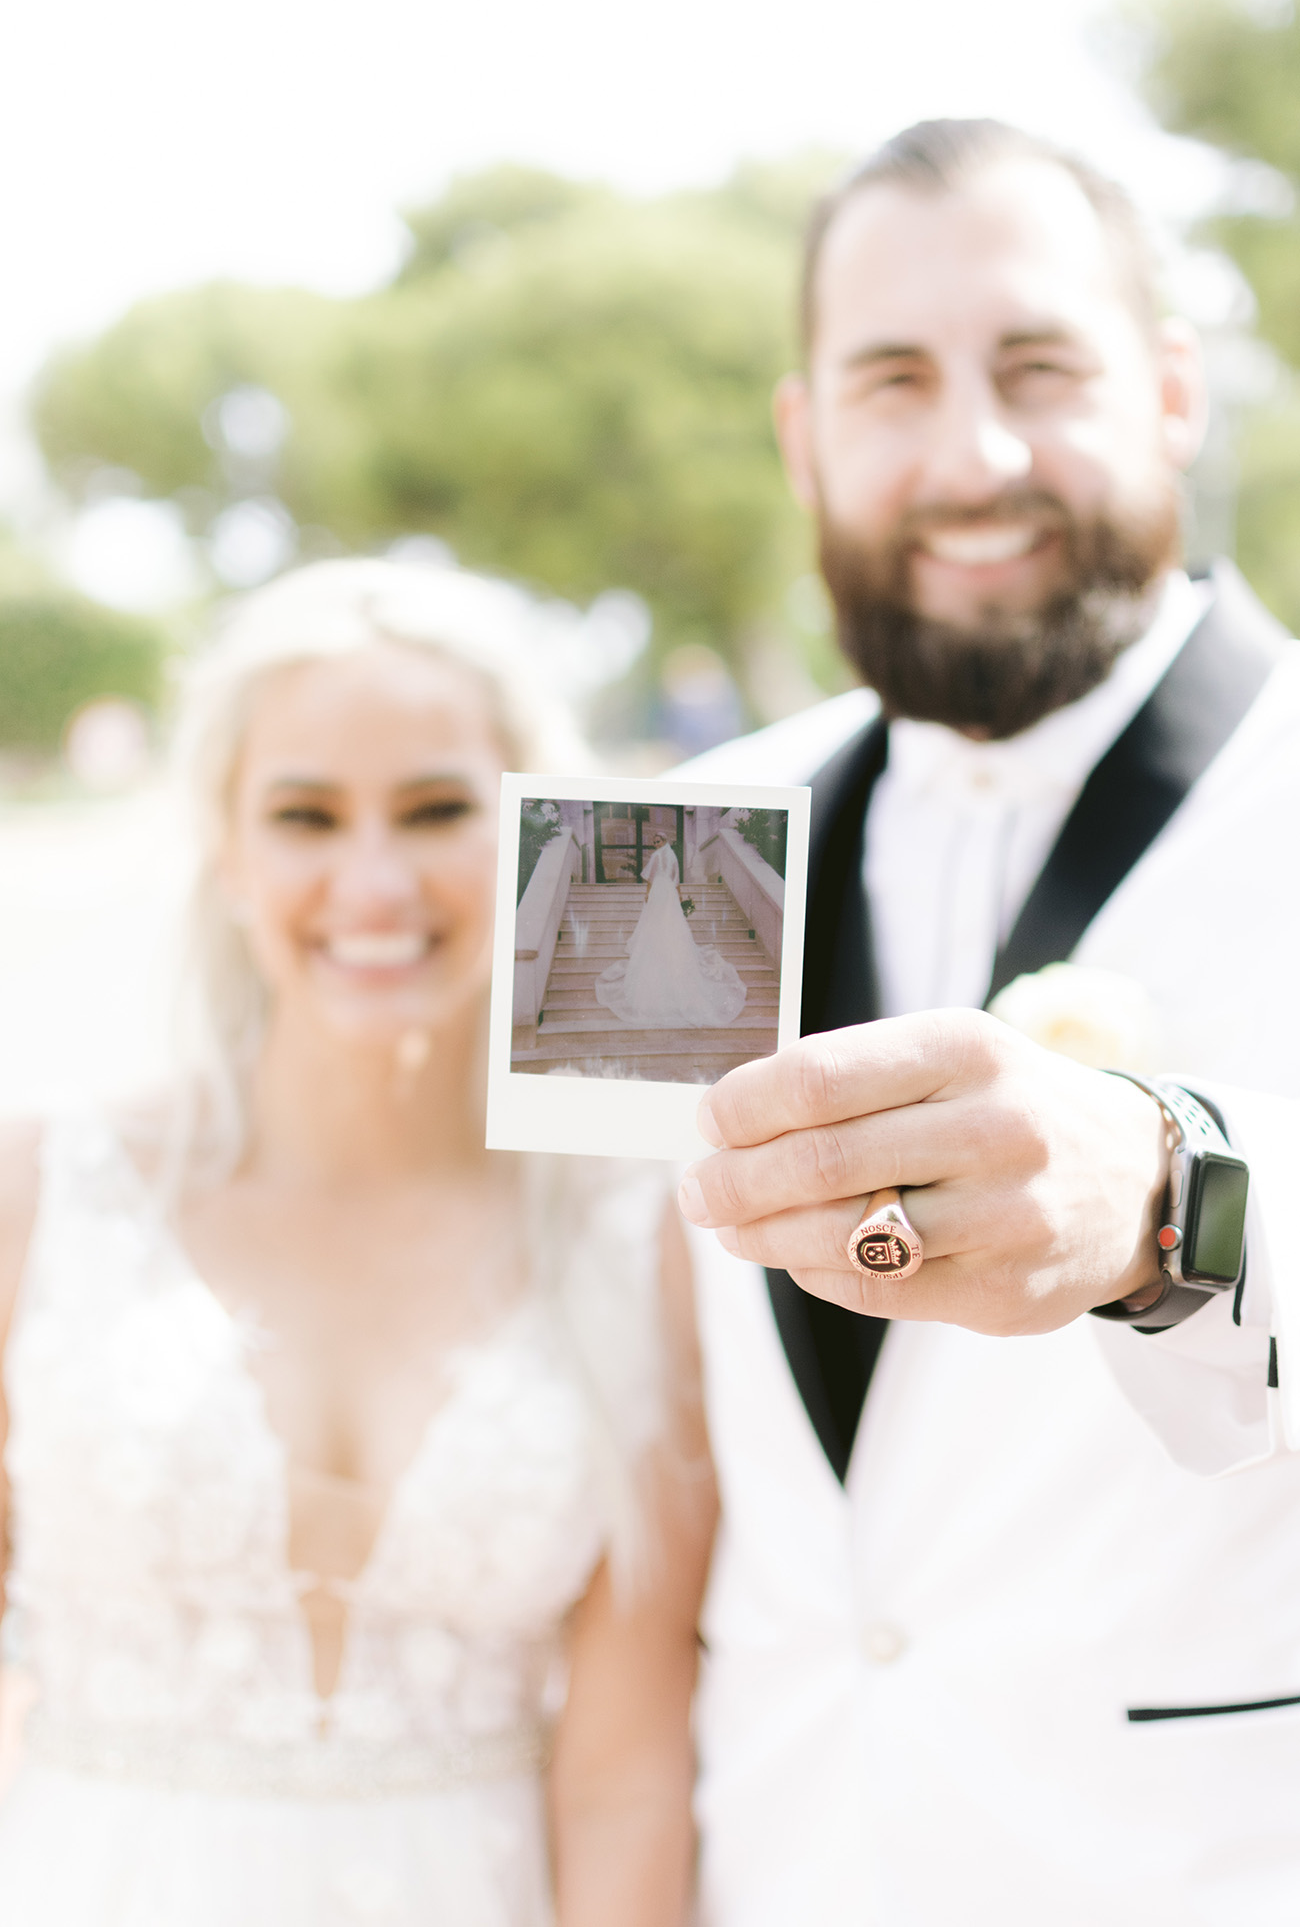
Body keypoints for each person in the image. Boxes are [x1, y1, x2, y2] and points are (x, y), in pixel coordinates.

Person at [673, 120, 1300, 1924]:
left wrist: (1183, 1202)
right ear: (805, 437)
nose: (977, 456)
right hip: (789, 1862)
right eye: (894, 383)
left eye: (1041, 367)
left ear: (1173, 391)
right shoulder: (695, 832)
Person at [0, 559, 715, 1926]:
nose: (372, 880)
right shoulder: (37, 1194)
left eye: (439, 808)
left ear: (536, 833)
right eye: (306, 816)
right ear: (228, 849)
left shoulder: (641, 1241)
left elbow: (624, 1774)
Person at [597, 832, 746, 1028]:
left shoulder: (657, 856)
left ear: (664, 841)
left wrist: (648, 894)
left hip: (660, 890)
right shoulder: (673, 856)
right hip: (669, 892)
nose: (655, 844)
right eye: (654, 841)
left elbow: (650, 879)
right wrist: (680, 897)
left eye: (658, 841)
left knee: (657, 921)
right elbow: (676, 880)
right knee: (669, 923)